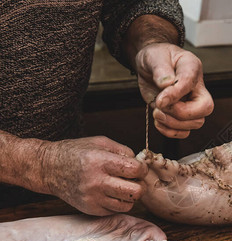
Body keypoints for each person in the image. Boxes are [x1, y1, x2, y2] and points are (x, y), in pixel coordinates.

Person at [0, 0, 214, 215]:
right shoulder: (50, 169)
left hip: (69, 192)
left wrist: (152, 42)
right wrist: (42, 166)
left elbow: (133, 4)